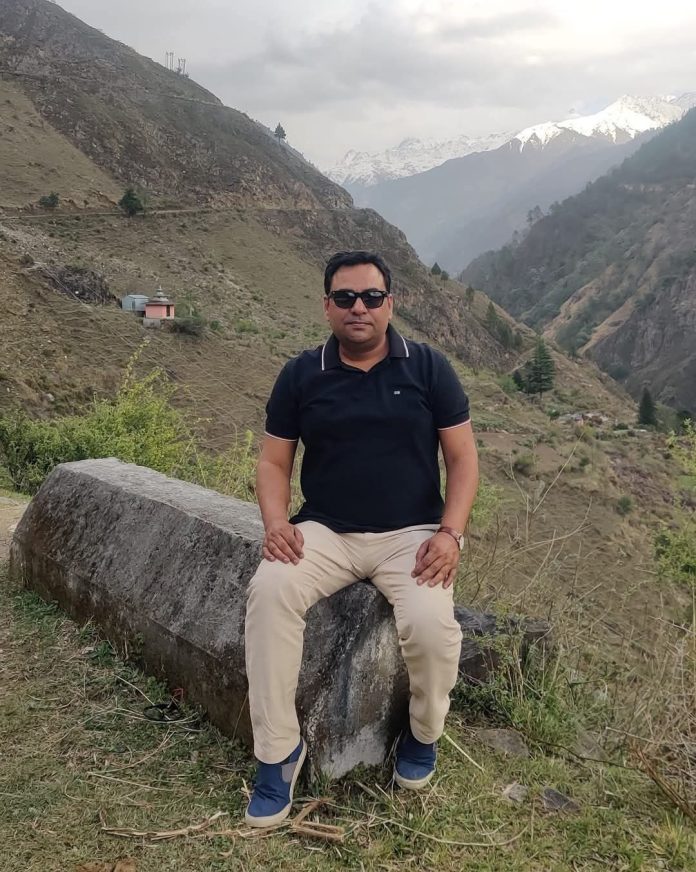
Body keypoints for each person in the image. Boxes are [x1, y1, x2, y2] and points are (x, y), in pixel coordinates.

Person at [244, 250, 479, 827]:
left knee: (431, 625)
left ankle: (423, 734)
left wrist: (451, 534)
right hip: (325, 531)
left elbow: (463, 458)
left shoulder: (428, 368)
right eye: (346, 297)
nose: (359, 308)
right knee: (269, 593)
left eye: (371, 297)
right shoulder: (302, 374)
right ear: (327, 306)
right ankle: (278, 753)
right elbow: (273, 462)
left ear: (390, 304)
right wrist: (276, 523)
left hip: (412, 535)